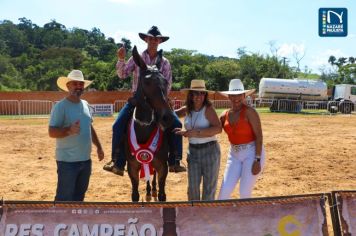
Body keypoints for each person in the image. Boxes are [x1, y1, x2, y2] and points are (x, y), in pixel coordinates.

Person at [103, 26, 186, 176]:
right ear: (146, 39)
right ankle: (117, 161)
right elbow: (122, 74)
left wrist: (162, 100)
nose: (154, 41)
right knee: (118, 124)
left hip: (158, 101)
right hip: (137, 100)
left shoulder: (165, 63)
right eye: (151, 38)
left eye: (156, 39)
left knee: (176, 124)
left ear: (160, 41)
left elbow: (167, 84)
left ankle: (175, 160)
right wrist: (120, 59)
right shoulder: (137, 58)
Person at [49, 70, 104, 201]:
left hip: (85, 161)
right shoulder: (60, 107)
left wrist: (99, 147)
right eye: (75, 83)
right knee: (64, 198)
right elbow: (51, 132)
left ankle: (75, 222)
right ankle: (60, 221)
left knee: (79, 198)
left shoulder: (85, 104)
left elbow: (89, 127)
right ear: (68, 86)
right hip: (67, 162)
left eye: (81, 84)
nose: (79, 86)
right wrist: (68, 130)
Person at [217, 79, 266, 199]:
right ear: (229, 96)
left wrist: (257, 160)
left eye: (239, 95)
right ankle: (223, 217)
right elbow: (213, 129)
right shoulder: (224, 115)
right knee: (223, 194)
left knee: (244, 193)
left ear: (244, 95)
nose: (236, 98)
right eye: (233, 95)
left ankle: (247, 217)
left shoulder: (250, 112)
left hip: (252, 153)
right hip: (233, 155)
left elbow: (259, 136)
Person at [174, 80, 222, 201]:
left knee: (209, 189)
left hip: (210, 151)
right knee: (193, 189)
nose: (198, 96)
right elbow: (171, 115)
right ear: (190, 95)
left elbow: (218, 128)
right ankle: (193, 216)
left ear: (205, 95)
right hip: (193, 152)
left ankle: (206, 217)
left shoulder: (208, 109)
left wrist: (195, 133)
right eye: (195, 93)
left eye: (202, 93)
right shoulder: (187, 109)